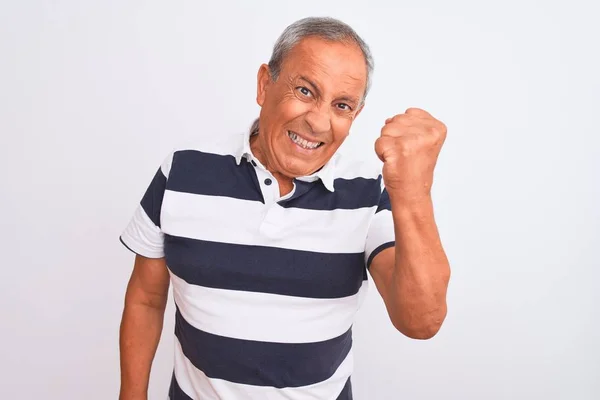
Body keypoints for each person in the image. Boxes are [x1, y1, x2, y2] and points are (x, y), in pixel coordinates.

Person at [118, 16, 451, 400]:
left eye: (341, 105)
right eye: (306, 91)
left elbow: (421, 321)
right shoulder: (182, 172)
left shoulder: (369, 192)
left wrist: (414, 191)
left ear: (354, 116)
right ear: (265, 84)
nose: (318, 121)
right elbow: (145, 298)